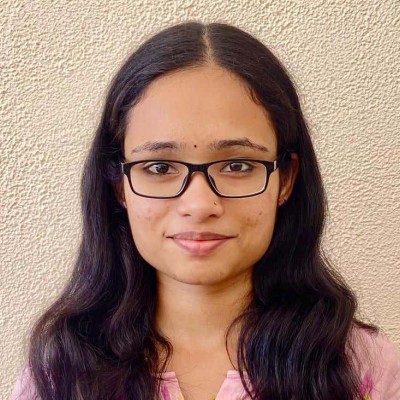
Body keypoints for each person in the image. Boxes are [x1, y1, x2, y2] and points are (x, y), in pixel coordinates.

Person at [11, 21, 400, 400]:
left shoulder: (365, 370)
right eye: (159, 167)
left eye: (238, 165)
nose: (199, 205)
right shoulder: (59, 375)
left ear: (285, 179)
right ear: (119, 185)